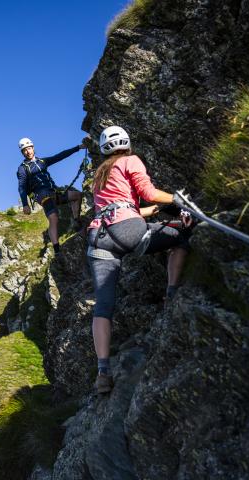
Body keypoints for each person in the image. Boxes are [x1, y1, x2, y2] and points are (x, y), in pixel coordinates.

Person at [86, 126, 192, 394]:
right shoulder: (130, 160)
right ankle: (171, 293)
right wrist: (179, 201)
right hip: (128, 230)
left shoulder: (99, 176)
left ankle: (102, 373)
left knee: (103, 306)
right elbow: (149, 193)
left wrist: (153, 211)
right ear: (126, 143)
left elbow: (121, 207)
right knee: (181, 235)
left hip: (99, 237)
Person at [16, 137, 86, 254]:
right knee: (53, 218)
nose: (28, 152)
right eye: (24, 150)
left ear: (33, 148)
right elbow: (21, 187)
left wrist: (78, 147)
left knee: (77, 196)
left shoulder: (42, 162)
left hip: (53, 192)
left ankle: (76, 221)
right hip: (42, 195)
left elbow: (60, 156)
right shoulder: (22, 169)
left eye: (29, 148)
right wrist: (25, 204)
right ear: (22, 152)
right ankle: (57, 249)